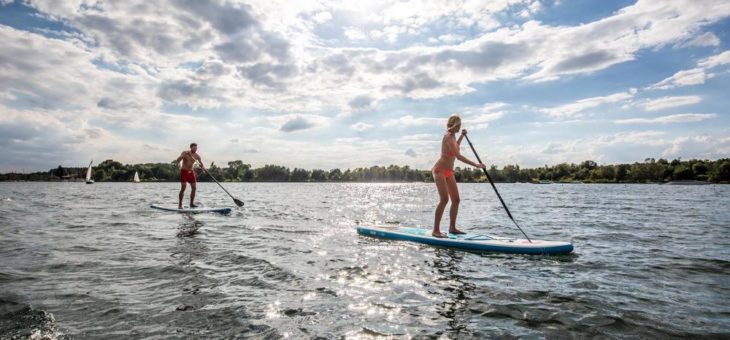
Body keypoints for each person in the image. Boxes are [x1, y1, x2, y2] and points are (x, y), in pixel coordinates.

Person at [431, 114, 486, 238]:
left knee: (456, 200)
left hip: (449, 172)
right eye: (458, 125)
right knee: (444, 200)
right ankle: (435, 230)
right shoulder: (448, 137)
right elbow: (458, 156)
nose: (460, 127)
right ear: (454, 125)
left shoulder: (453, 137)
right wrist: (476, 165)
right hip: (439, 170)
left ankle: (452, 228)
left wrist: (461, 135)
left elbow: (456, 147)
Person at [176, 143, 205, 209]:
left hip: (191, 172)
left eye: (196, 148)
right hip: (184, 172)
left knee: (194, 188)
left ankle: (191, 204)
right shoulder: (185, 152)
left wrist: (203, 167)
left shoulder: (197, 156)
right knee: (183, 187)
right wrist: (182, 156)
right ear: (191, 148)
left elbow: (201, 163)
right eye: (194, 148)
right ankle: (180, 204)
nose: (195, 149)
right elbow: (178, 160)